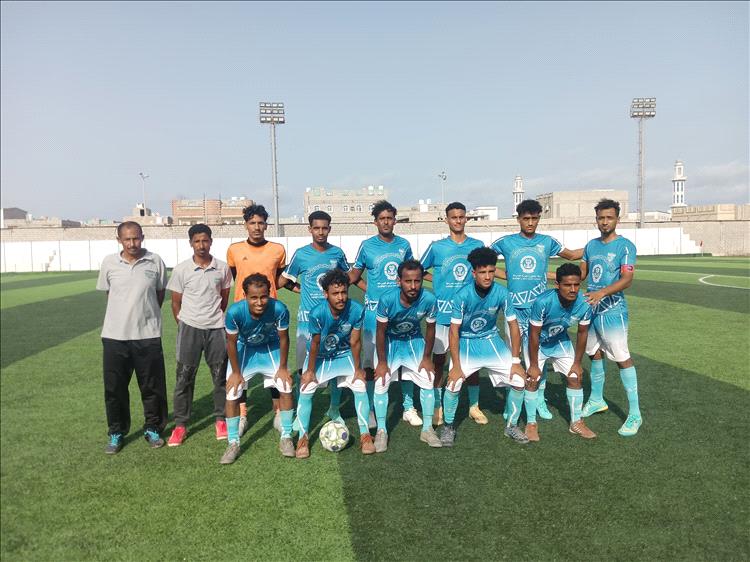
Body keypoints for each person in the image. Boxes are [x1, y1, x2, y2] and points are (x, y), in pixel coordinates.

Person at [490, 199, 583, 421]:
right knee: (513, 357)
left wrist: (595, 247)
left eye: (534, 218)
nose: (530, 223)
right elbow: (485, 262)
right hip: (514, 310)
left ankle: (539, 399)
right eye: (526, 218)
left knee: (538, 357)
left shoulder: (547, 242)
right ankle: (510, 401)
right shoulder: (505, 242)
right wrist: (506, 275)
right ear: (519, 219)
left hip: (540, 311)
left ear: (539, 218)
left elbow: (572, 255)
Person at [441, 247, 529, 446]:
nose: (488, 276)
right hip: (466, 342)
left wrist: (516, 361)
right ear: (474, 273)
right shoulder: (462, 295)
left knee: (518, 379)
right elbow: (453, 331)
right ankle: (448, 426)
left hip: (491, 341)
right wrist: (455, 366)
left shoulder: (502, 293)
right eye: (482, 272)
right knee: (454, 382)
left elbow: (514, 326)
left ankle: (512, 426)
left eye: (491, 271)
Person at [96, 221, 169, 454]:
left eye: (136, 238)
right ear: (119, 240)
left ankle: (153, 428)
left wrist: (146, 316)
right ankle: (116, 432)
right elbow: (110, 294)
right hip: (114, 336)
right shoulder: (109, 263)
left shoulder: (155, 261)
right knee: (114, 388)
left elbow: (159, 294)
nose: (132, 243)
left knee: (152, 387)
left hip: (148, 335)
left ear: (142, 237)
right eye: (127, 239)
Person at [349, 200, 421, 427]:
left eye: (390, 218)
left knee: (405, 361)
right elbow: (354, 276)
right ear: (375, 222)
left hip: (400, 312)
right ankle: (371, 408)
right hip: (373, 313)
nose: (386, 222)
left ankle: (408, 407)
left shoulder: (404, 245)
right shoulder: (367, 246)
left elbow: (411, 273)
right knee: (372, 363)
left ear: (395, 221)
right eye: (382, 219)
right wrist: (367, 289)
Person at [166, 224, 233, 446]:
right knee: (184, 377)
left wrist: (212, 319)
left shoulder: (222, 268)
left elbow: (223, 299)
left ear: (211, 241)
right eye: (197, 241)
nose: (201, 245)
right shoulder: (181, 270)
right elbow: (175, 303)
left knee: (220, 377)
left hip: (216, 329)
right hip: (189, 329)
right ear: (191, 243)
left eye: (205, 240)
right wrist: (186, 324)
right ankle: (180, 425)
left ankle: (221, 419)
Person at [579, 199, 642, 436]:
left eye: (609, 217)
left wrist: (602, 293)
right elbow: (582, 275)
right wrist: (554, 277)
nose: (604, 222)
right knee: (594, 353)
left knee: (622, 358)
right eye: (601, 218)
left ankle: (635, 414)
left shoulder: (625, 246)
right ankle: (597, 399)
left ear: (617, 219)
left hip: (613, 311)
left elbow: (627, 279)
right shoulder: (591, 246)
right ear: (596, 219)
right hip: (591, 309)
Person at [296, 269, 374, 458]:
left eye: (343, 292)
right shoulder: (317, 313)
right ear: (326, 294)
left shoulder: (356, 309)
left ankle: (365, 435)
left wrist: (358, 369)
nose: (340, 297)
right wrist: (310, 371)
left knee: (359, 385)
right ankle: (302, 438)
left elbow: (355, 341)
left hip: (343, 354)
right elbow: (314, 344)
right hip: (320, 356)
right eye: (335, 293)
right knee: (306, 388)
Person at [420, 201, 486, 426]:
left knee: (471, 362)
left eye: (461, 217)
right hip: (443, 314)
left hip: (469, 313)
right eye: (454, 217)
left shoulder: (477, 245)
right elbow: (419, 270)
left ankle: (474, 406)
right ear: (446, 219)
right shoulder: (437, 247)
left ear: (466, 218)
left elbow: (483, 272)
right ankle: (437, 405)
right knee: (439, 360)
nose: (458, 220)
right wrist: (437, 280)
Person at [282, 211, 350, 423]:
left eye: (324, 228)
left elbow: (347, 278)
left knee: (334, 367)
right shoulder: (301, 254)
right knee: (303, 369)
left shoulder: (337, 253)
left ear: (329, 229)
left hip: (333, 321)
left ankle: (334, 409)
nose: (320, 232)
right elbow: (284, 280)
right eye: (316, 228)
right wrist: (300, 289)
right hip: (306, 322)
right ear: (309, 229)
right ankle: (300, 413)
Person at [220, 274, 294, 464]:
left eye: (263, 297)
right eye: (254, 297)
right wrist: (236, 373)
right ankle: (233, 443)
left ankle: (286, 437)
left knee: (285, 386)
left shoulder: (279, 309)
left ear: (269, 294)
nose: (259, 302)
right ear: (245, 295)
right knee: (232, 391)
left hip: (270, 347)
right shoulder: (234, 312)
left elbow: (284, 338)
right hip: (245, 349)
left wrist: (283, 367)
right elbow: (231, 342)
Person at [226, 204, 287, 436]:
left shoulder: (277, 250)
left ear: (266, 225)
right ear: (246, 225)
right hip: (244, 317)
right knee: (240, 366)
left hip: (270, 314)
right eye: (252, 223)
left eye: (261, 223)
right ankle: (242, 414)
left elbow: (279, 279)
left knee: (274, 363)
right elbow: (237, 278)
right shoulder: (234, 250)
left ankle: (278, 412)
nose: (257, 227)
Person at [374, 259, 440, 451]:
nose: (413, 286)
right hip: (391, 341)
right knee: (381, 381)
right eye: (408, 281)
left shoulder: (429, 299)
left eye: (417, 281)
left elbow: (431, 329)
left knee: (428, 377)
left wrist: (427, 358)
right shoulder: (387, 299)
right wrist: (382, 362)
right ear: (399, 281)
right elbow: (380, 332)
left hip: (413, 340)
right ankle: (381, 430)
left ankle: (427, 429)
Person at [526, 263, 597, 441]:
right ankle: (531, 423)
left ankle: (576, 422)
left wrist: (577, 363)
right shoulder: (542, 302)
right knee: (532, 379)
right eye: (567, 285)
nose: (573, 289)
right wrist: (533, 365)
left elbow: (582, 333)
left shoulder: (585, 304)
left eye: (576, 284)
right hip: (537, 343)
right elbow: (533, 334)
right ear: (557, 284)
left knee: (575, 376)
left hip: (559, 341)